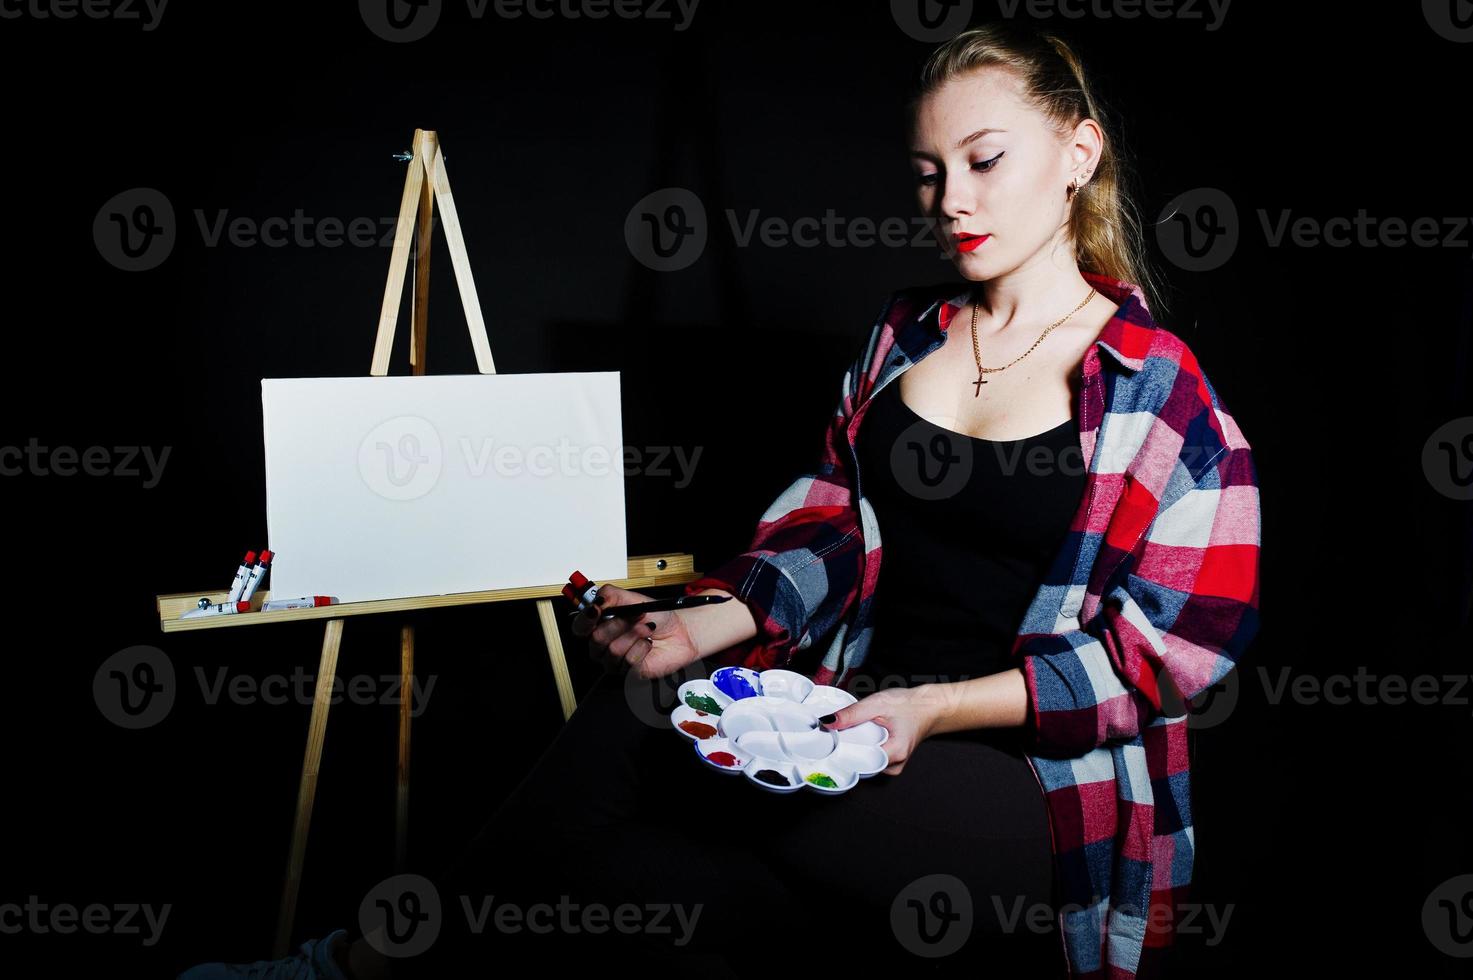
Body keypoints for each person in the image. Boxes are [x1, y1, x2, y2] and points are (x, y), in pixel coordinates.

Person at [178, 21, 1260, 980]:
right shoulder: (907, 336)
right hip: (840, 717)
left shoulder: (1158, 390)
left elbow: (1166, 657)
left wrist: (931, 708)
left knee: (647, 753)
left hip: (1025, 786)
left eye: (983, 160)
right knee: (612, 871)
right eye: (929, 172)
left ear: (1079, 152)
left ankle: (351, 965)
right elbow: (839, 519)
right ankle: (379, 964)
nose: (952, 200)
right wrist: (711, 617)